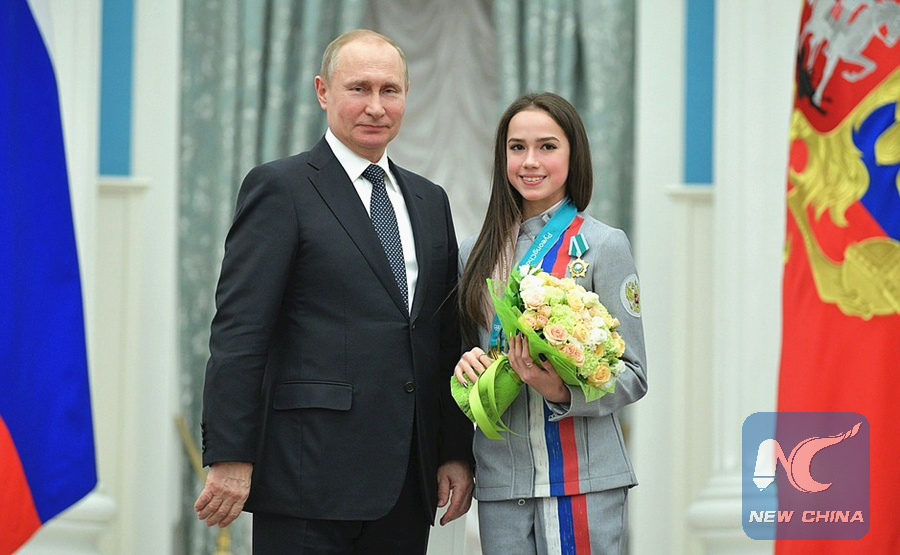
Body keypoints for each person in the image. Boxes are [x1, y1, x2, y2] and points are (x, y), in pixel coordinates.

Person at [194, 29, 475, 553]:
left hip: (405, 483)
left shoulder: (429, 200)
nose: (376, 106)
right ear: (323, 92)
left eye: (389, 90)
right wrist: (230, 455)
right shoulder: (281, 187)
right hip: (306, 476)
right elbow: (240, 331)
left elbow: (445, 340)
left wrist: (454, 450)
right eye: (358, 88)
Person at [454, 92, 648, 554]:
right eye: (517, 147)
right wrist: (463, 368)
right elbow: (461, 355)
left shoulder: (603, 245)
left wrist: (560, 390)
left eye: (547, 146)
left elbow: (634, 376)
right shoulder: (473, 253)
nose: (530, 161)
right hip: (502, 483)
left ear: (573, 154)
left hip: (583, 482)